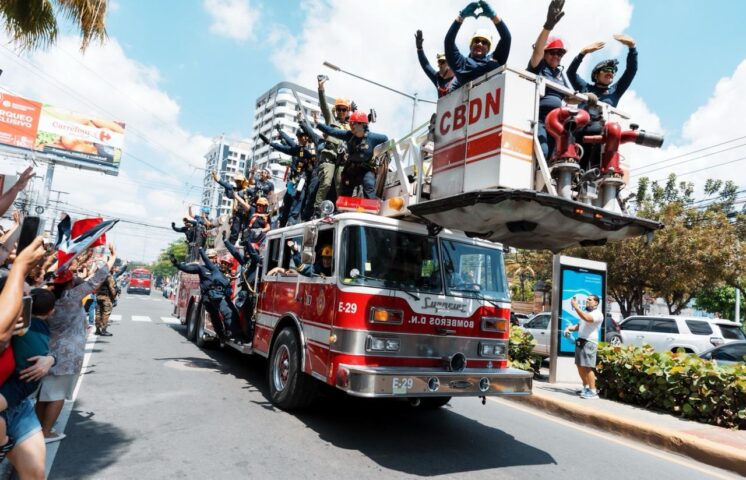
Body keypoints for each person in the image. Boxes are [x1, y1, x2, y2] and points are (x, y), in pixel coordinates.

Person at [37, 246, 115, 442]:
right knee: (57, 395)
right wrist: (112, 257)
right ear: (70, 282)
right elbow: (97, 278)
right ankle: (46, 432)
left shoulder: (44, 296)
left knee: (43, 393)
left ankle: (37, 429)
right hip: (68, 353)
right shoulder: (72, 297)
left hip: (45, 349)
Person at [0, 288, 56, 461]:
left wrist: (51, 359)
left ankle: (3, 443)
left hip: (20, 383)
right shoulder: (28, 324)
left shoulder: (22, 324)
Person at [170, 248, 242, 341]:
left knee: (226, 313)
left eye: (213, 257)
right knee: (216, 316)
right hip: (208, 297)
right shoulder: (201, 268)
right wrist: (176, 263)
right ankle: (223, 335)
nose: (211, 259)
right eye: (209, 257)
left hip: (219, 295)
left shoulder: (219, 268)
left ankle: (229, 333)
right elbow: (187, 268)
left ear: (216, 258)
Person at [527, 0, 568, 161]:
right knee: (543, 151)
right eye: (552, 52)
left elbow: (570, 96)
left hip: (558, 123)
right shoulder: (538, 66)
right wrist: (548, 25)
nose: (556, 56)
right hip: (541, 119)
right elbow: (537, 51)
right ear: (545, 53)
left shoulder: (560, 74)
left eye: (560, 54)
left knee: (561, 155)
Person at [316, 112, 388, 199]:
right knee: (345, 193)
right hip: (351, 170)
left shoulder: (373, 138)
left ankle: (371, 210)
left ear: (362, 124)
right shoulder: (349, 135)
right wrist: (318, 123)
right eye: (350, 123)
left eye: (353, 123)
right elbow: (332, 131)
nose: (351, 125)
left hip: (366, 170)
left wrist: (382, 157)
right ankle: (343, 210)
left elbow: (386, 139)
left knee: (369, 187)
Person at [444, 1, 511, 89]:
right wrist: (461, 17)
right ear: (470, 45)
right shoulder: (461, 64)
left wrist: (493, 16)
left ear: (488, 49)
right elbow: (448, 42)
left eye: (484, 43)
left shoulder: (494, 59)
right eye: (476, 41)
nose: (479, 44)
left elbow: (506, 38)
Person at [258, 128, 315, 227]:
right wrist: (271, 142)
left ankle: (292, 222)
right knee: (287, 203)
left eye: (304, 136)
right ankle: (283, 223)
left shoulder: (312, 148)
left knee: (297, 204)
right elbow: (286, 147)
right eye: (300, 136)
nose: (302, 138)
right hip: (293, 181)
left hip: (304, 183)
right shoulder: (299, 149)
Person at [566, 34, 638, 108]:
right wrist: (583, 53)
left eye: (613, 71)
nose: (610, 73)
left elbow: (631, 70)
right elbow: (571, 72)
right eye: (606, 70)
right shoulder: (585, 88)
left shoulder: (616, 90)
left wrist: (632, 47)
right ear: (596, 75)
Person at [563, 294, 604, 400]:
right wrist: (569, 329)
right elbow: (579, 325)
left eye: (590, 300)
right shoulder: (585, 312)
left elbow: (587, 319)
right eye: (587, 299)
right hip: (580, 341)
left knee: (587, 367)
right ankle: (586, 388)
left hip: (589, 343)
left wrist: (576, 307)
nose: (587, 301)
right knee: (579, 365)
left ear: (596, 303)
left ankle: (593, 391)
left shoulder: (597, 313)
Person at [415, 30, 456, 97]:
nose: (439, 65)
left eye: (442, 62)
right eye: (438, 63)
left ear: (450, 62)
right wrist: (419, 48)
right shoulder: (438, 79)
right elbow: (426, 65)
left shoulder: (459, 76)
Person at [94, 267, 118, 336]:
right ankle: (104, 330)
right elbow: (112, 287)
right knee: (106, 313)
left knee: (98, 313)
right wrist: (114, 296)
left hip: (98, 296)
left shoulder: (99, 275)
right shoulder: (108, 276)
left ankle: (97, 329)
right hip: (106, 297)